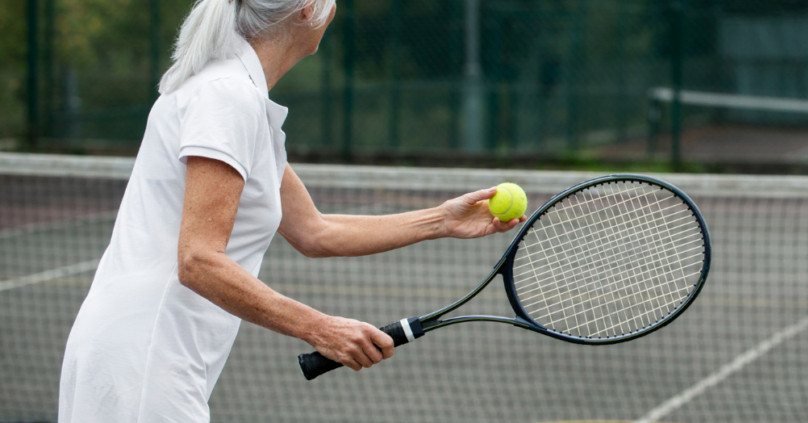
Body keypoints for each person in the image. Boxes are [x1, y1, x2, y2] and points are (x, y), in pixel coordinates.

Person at [57, 0, 524, 421]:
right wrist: (321, 328)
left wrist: (441, 219)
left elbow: (314, 231)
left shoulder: (236, 95)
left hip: (142, 353)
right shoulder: (226, 97)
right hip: (143, 360)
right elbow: (198, 260)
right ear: (307, 10)